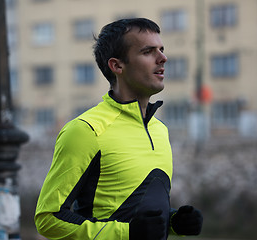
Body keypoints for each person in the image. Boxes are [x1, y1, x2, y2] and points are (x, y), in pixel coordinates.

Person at [34, 18, 203, 240]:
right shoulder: (86, 130)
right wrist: (127, 233)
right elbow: (48, 219)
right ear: (117, 66)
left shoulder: (159, 129)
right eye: (148, 51)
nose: (163, 58)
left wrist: (173, 222)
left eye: (161, 49)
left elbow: (134, 212)